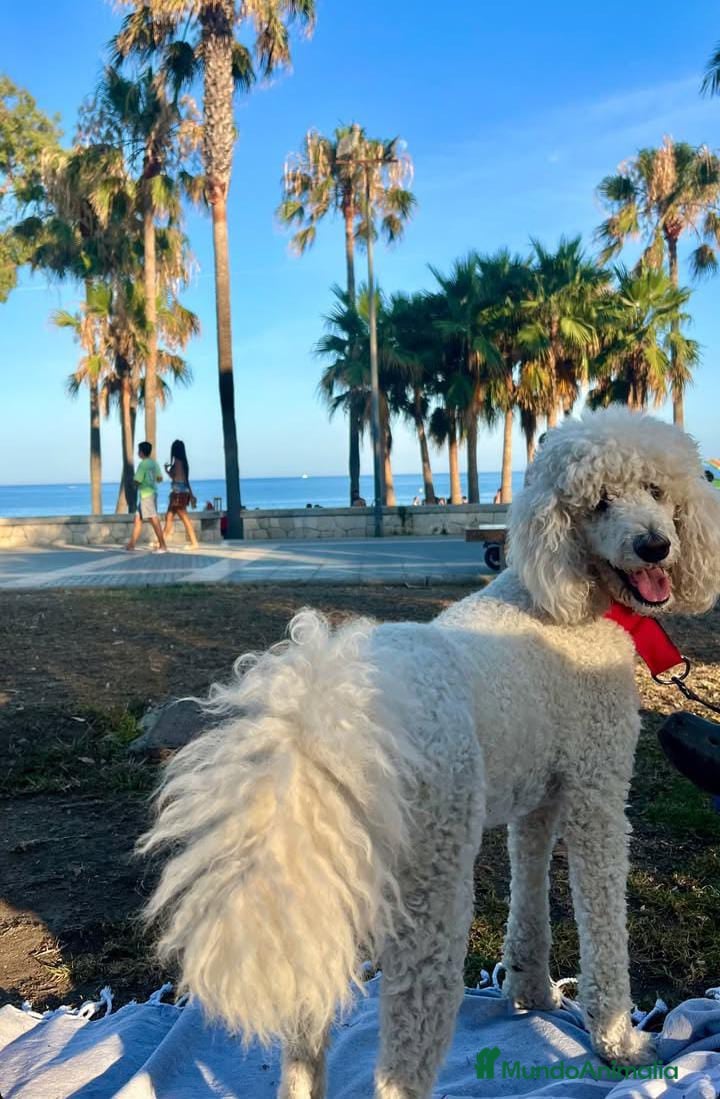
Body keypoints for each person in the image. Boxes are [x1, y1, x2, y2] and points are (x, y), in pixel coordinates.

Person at [125, 441, 167, 552]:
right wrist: (151, 480)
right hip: (152, 494)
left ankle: (163, 545)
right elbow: (160, 479)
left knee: (153, 519)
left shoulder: (142, 464)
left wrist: (131, 484)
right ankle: (131, 544)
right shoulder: (154, 463)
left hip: (146, 496)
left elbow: (137, 480)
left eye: (139, 450)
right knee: (138, 519)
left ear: (142, 452)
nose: (138, 452)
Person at [163, 439, 199, 549]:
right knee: (169, 517)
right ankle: (161, 542)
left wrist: (167, 470)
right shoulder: (184, 463)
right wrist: (191, 495)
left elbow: (174, 476)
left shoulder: (178, 462)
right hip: (181, 491)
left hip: (178, 493)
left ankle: (194, 543)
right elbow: (186, 481)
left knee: (184, 518)